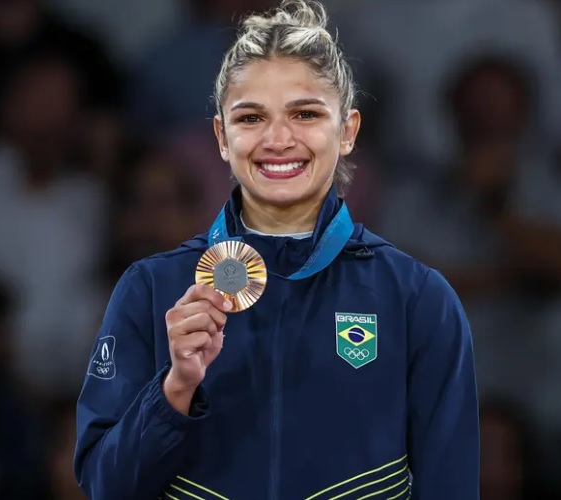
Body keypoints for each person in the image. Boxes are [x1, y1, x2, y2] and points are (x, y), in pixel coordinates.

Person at [73, 1, 480, 499]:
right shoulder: (152, 289)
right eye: (251, 117)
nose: (278, 138)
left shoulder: (416, 298)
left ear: (348, 131)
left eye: (305, 113)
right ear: (222, 137)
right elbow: (105, 488)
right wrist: (175, 388)